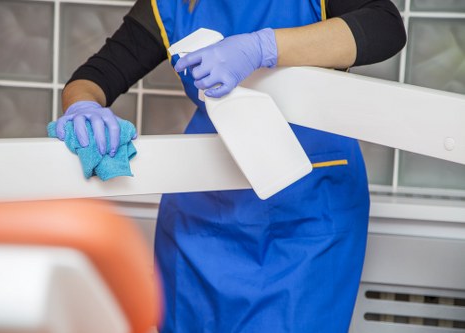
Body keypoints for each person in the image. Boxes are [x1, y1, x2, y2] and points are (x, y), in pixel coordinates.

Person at [55, 0, 406, 332]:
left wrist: (262, 47)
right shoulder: (172, 4)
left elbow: (385, 26)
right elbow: (97, 75)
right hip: (200, 218)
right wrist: (82, 107)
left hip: (308, 213)